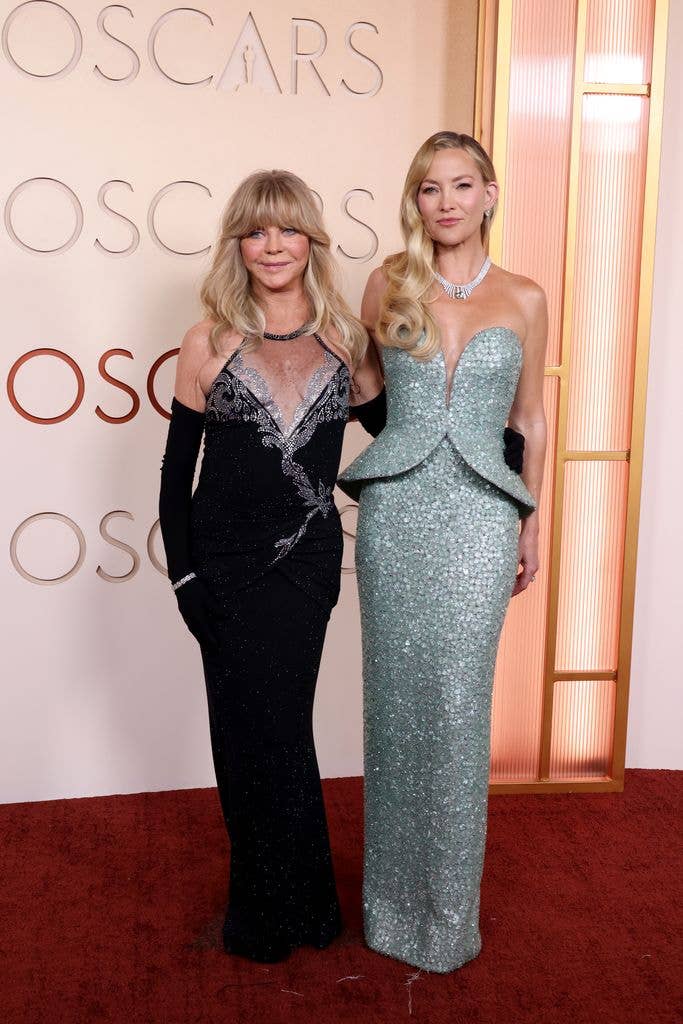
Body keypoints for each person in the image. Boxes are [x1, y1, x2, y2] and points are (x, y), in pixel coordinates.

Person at [337, 131, 547, 973]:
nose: (447, 201)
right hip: (397, 508)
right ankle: (389, 913)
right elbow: (361, 387)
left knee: (459, 711)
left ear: (490, 194)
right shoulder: (388, 281)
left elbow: (529, 420)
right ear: (415, 200)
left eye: (463, 185)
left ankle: (447, 917)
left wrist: (533, 523)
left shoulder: (525, 296)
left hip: (484, 517)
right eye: (429, 188)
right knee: (393, 709)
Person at [158, 169, 380, 962]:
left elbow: (399, 435)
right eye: (256, 231)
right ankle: (266, 908)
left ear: (310, 241)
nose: (272, 245)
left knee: (280, 731)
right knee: (241, 735)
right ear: (238, 246)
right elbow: (173, 473)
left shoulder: (348, 341)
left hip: (306, 565)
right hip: (221, 567)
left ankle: (302, 906)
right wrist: (184, 578)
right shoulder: (207, 340)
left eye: (286, 230)